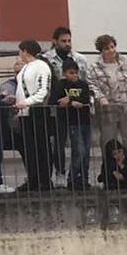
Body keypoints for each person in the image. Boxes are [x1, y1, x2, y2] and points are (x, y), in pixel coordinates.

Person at [88, 35, 127, 167]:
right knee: (108, 143)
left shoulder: (126, 65)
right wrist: (100, 97)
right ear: (101, 51)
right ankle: (110, 176)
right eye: (107, 48)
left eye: (112, 47)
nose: (111, 50)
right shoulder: (94, 68)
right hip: (108, 110)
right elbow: (91, 85)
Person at [11, 39, 54, 191]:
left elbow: (43, 90)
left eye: (20, 51)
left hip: (37, 111)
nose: (19, 54)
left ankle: (44, 180)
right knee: (29, 148)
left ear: (25, 51)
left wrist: (28, 102)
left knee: (41, 146)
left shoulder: (41, 66)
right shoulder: (26, 68)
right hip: (25, 113)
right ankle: (33, 178)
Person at [50, 57, 96, 188]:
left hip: (85, 120)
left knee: (86, 151)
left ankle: (84, 177)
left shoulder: (83, 84)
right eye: (71, 73)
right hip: (71, 121)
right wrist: (71, 102)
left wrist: (69, 101)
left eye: (76, 72)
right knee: (79, 150)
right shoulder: (61, 85)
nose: (75, 75)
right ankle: (73, 177)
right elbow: (54, 100)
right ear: (64, 73)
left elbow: (85, 99)